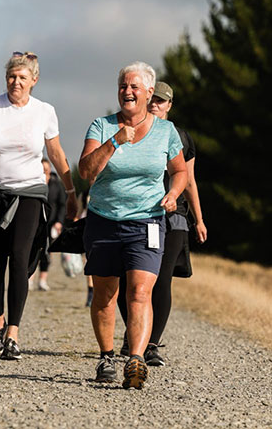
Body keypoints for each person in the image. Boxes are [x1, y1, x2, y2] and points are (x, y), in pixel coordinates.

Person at [78, 61, 187, 389]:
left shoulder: (166, 131)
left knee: (140, 291)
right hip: (104, 220)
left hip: (147, 221)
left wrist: (173, 194)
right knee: (106, 294)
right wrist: (114, 142)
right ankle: (107, 355)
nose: (127, 91)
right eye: (123, 86)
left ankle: (136, 359)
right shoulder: (101, 125)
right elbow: (85, 171)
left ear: (149, 92)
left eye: (134, 87)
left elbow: (180, 171)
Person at [0, 51, 78, 361]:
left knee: (20, 258)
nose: (15, 82)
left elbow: (56, 152)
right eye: (11, 76)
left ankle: (13, 333)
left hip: (31, 193)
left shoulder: (44, 111)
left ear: (34, 80)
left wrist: (71, 190)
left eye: (22, 77)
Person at [116, 81, 208, 366]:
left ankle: (151, 343)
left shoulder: (179, 136)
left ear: (169, 105)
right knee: (127, 281)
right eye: (152, 99)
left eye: (161, 101)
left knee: (161, 280)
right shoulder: (131, 131)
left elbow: (189, 180)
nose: (155, 104)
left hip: (174, 218)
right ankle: (136, 333)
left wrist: (200, 219)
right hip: (138, 215)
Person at [30, 158, 66, 292]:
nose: (44, 171)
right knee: (31, 250)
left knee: (46, 252)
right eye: (42, 169)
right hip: (34, 222)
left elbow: (62, 205)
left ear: (50, 169)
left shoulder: (57, 185)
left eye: (46, 169)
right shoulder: (33, 182)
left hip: (50, 224)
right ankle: (30, 279)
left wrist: (59, 221)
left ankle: (43, 280)